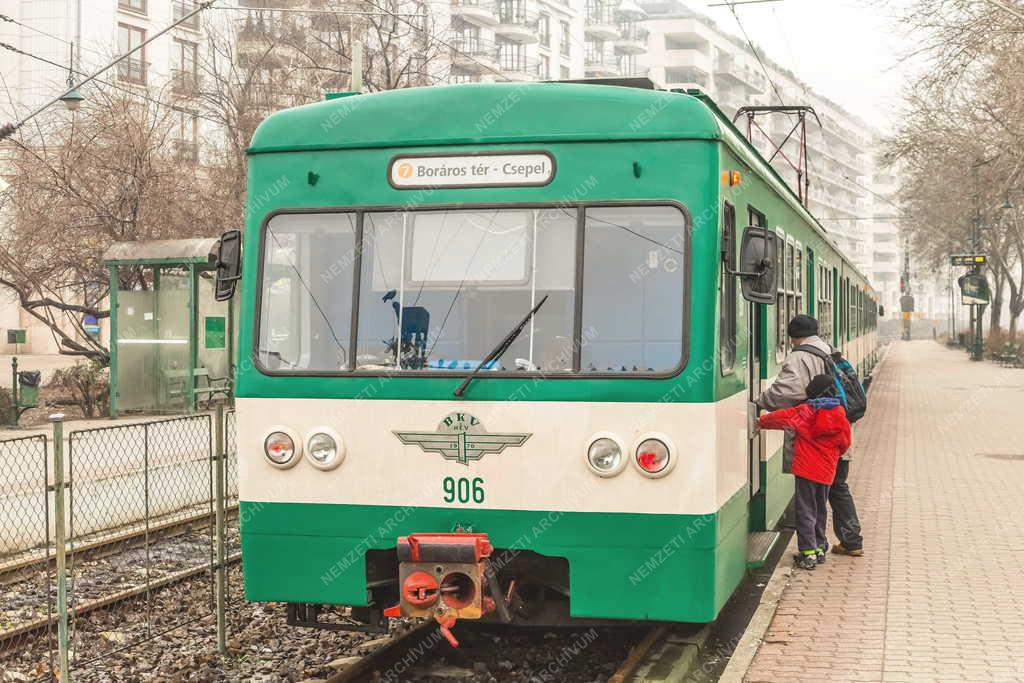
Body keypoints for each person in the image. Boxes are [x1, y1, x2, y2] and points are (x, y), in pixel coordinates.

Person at [758, 374, 851, 569]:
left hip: (806, 471)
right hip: (826, 472)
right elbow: (845, 444)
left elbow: (781, 418)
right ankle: (819, 546)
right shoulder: (840, 414)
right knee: (820, 509)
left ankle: (808, 553)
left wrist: (760, 421)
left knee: (805, 510)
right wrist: (832, 455)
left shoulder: (805, 412)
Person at [828, 350, 864, 557]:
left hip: (827, 442)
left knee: (823, 490)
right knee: (838, 487)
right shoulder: (834, 356)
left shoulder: (811, 357)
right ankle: (851, 540)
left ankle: (815, 546)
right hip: (844, 438)